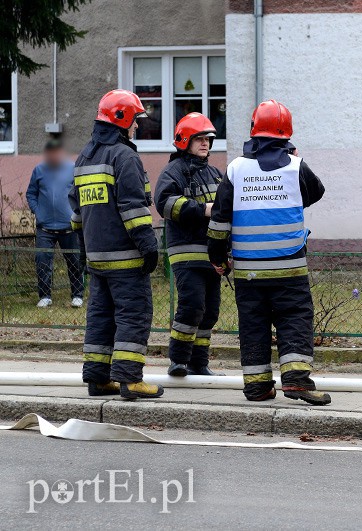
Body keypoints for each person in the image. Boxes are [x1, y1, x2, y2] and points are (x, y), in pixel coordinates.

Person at [208, 100, 330, 405]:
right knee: (295, 319)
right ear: (286, 134)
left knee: (253, 325)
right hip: (290, 268)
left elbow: (220, 220)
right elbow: (316, 192)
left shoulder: (235, 169)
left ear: (254, 131)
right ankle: (297, 381)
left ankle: (257, 387)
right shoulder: (296, 167)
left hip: (250, 272)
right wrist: (294, 167)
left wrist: (218, 258)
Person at [68, 89, 163, 399]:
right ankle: (129, 378)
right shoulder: (124, 156)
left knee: (100, 317)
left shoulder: (85, 157)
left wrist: (84, 251)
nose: (136, 126)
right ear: (122, 119)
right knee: (133, 315)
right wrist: (149, 248)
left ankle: (98, 378)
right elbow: (134, 209)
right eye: (135, 120)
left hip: (97, 259)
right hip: (126, 260)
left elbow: (77, 213)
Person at [154, 113, 224, 377]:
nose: (205, 144)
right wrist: (202, 209)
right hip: (185, 250)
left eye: (207, 139)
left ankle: (199, 363)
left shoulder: (216, 174)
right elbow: (165, 203)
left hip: (212, 253)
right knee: (192, 304)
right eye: (199, 139)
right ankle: (179, 360)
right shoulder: (173, 171)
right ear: (185, 140)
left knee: (210, 311)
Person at [26, 138, 85, 308]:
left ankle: (77, 295)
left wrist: (76, 213)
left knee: (74, 261)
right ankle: (44, 296)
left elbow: (79, 192)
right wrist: (38, 212)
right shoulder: (39, 170)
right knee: (43, 262)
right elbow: (31, 194)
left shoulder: (72, 169)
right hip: (45, 228)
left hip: (69, 227)